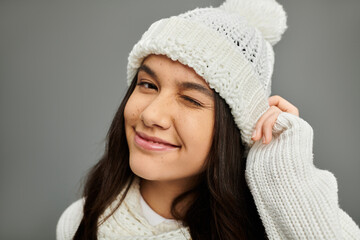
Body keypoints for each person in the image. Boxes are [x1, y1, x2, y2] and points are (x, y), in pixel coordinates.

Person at [56, 0, 360, 239]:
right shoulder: (80, 222)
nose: (150, 115)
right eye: (148, 85)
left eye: (190, 99)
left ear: (233, 127)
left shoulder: (262, 228)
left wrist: (287, 174)